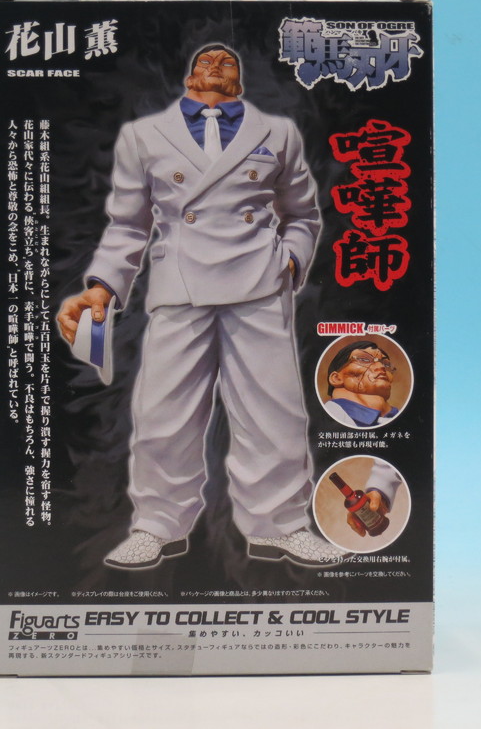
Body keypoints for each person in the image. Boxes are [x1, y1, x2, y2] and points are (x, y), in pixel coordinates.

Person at [57, 44, 344, 569]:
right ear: (189, 76)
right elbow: (128, 225)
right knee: (163, 412)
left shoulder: (277, 132)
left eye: (226, 63)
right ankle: (156, 523)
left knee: (274, 411)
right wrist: (102, 287)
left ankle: (281, 524)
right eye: (205, 63)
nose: (214, 67)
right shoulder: (144, 136)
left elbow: (303, 214)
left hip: (259, 285)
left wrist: (290, 262)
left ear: (239, 79)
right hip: (179, 285)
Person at [323, 341, 401, 428]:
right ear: (336, 378)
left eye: (386, 364)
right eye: (364, 359)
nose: (381, 366)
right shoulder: (332, 413)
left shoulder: (398, 417)